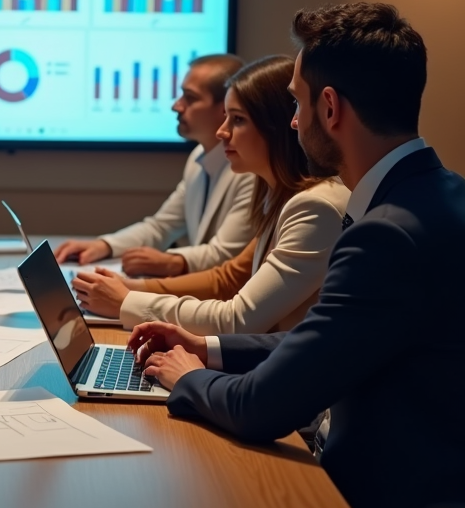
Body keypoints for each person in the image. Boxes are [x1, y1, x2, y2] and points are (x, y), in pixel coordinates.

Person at [127, 3, 465, 508]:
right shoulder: (436, 197)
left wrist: (187, 377)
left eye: (298, 102)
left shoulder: (387, 234)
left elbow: (263, 407)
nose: (293, 120)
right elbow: (332, 340)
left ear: (329, 107)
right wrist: (208, 349)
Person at [74, 56, 349, 334]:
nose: (222, 131)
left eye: (238, 119)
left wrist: (127, 300)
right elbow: (230, 277)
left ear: (275, 126)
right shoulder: (278, 195)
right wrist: (127, 289)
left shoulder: (314, 206)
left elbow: (238, 318)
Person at [55, 54, 255, 277]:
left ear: (225, 107)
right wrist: (104, 245)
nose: (176, 106)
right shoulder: (199, 156)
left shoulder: (249, 169)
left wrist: (172, 261)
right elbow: (162, 226)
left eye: (190, 98)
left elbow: (226, 254)